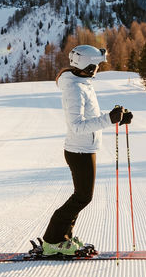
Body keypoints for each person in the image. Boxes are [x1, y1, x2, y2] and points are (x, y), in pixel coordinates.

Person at [40, 44, 131, 257]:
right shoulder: (74, 88)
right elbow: (78, 126)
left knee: (81, 196)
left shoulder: (83, 83)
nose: (98, 68)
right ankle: (52, 240)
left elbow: (92, 115)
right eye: (97, 65)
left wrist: (117, 118)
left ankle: (63, 238)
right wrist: (109, 119)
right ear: (88, 67)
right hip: (78, 150)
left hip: (85, 149)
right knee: (82, 197)